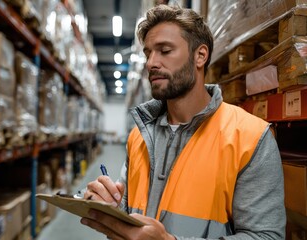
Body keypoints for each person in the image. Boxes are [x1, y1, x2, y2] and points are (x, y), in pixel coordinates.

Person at [81, 4, 286, 239]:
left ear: (200, 56)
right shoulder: (139, 136)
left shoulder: (249, 137)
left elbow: (266, 236)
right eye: (148, 53)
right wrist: (108, 207)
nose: (150, 63)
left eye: (164, 51)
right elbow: (130, 213)